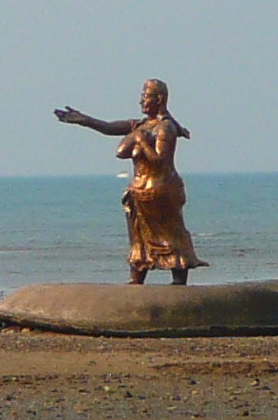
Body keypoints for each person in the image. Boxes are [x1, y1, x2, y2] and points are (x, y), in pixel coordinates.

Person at [56, 79, 201, 284]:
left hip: (160, 187)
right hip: (139, 188)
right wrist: (84, 120)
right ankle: (137, 274)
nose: (141, 101)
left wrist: (141, 141)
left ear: (158, 99)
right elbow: (108, 128)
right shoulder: (140, 125)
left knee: (169, 232)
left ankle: (178, 274)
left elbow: (160, 160)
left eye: (145, 96)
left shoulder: (164, 128)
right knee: (138, 234)